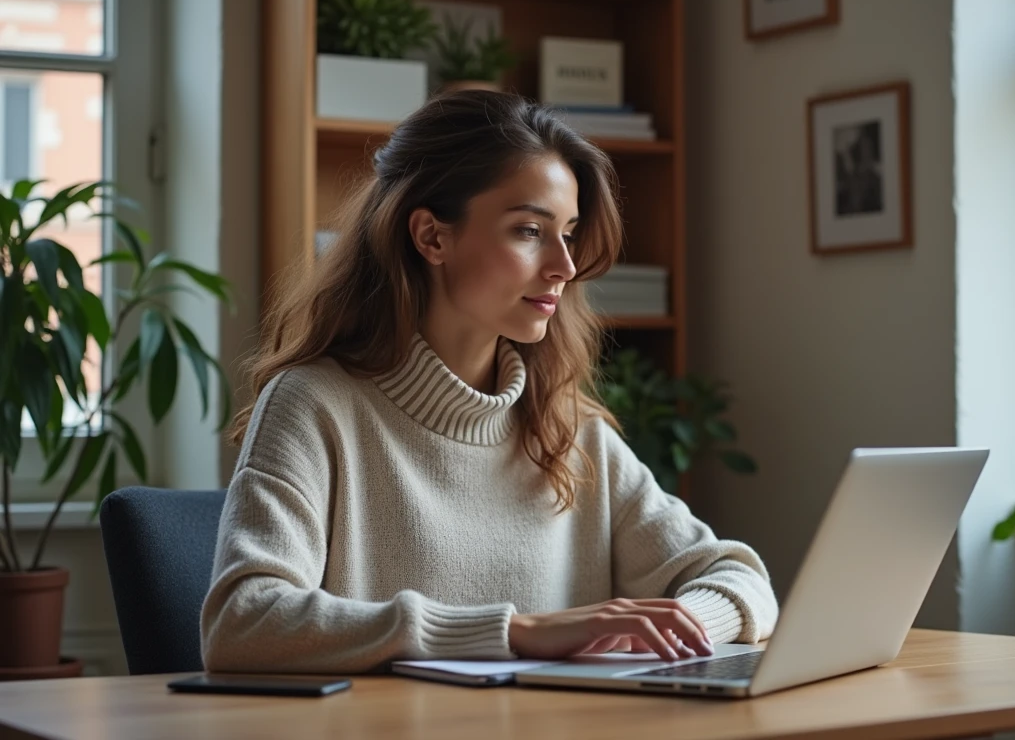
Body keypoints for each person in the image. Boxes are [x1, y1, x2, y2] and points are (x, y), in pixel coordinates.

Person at [200, 91, 778, 674]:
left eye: (569, 233)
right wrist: (516, 632)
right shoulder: (314, 405)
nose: (564, 266)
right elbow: (243, 621)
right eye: (529, 230)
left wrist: (677, 627)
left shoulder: (565, 427)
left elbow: (739, 579)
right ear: (431, 237)